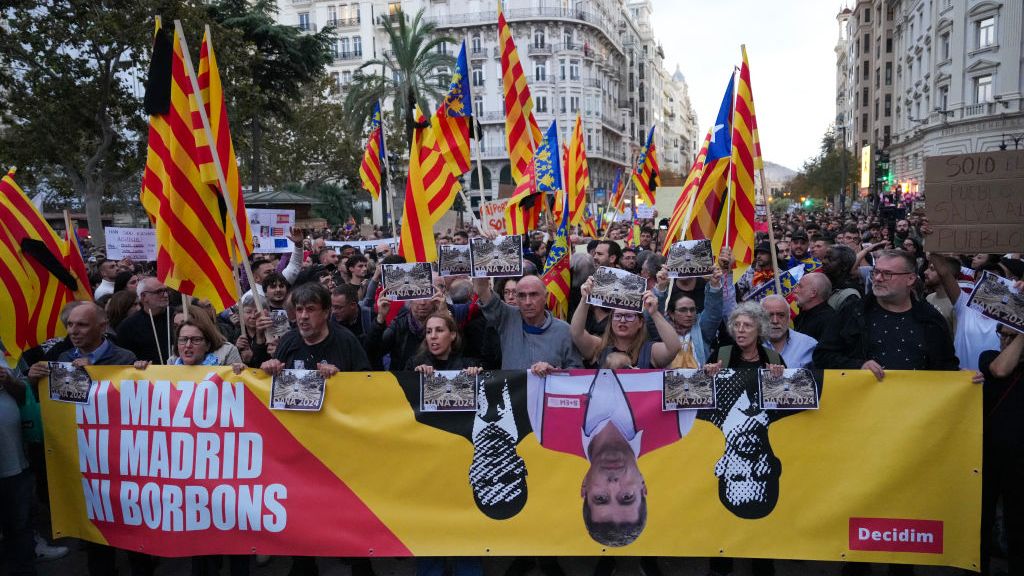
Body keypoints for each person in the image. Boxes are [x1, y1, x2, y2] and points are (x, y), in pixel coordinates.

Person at [27, 303, 148, 576]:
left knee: (133, 533)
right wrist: (35, 380)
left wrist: (139, 372)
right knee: (96, 537)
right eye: (70, 325)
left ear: (102, 326)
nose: (73, 331)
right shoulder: (60, 356)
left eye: (81, 325)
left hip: (123, 460)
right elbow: (61, 409)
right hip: (86, 462)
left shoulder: (123, 357)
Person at [258, 282, 369, 576]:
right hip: (300, 446)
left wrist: (341, 381)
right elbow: (268, 390)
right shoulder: (289, 343)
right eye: (299, 310)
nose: (303, 316)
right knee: (301, 508)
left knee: (349, 509)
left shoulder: (346, 342)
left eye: (310, 310)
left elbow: (370, 389)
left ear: (327, 312)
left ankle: (360, 562)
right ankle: (303, 563)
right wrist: (267, 367)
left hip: (341, 446)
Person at [526, 369, 696, 552]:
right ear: (643, 486)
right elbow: (691, 366)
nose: (613, 484)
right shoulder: (679, 424)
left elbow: (526, 368)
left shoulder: (545, 429)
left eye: (601, 498)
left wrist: (540, 365)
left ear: (584, 487)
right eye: (627, 497)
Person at [702, 302, 788, 576]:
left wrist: (780, 378)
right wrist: (708, 374)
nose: (740, 331)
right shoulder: (723, 355)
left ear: (759, 329)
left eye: (747, 326)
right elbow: (702, 390)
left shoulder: (773, 360)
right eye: (737, 325)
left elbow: (785, 398)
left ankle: (762, 562)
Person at [814, 250, 959, 378]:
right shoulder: (853, 312)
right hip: (863, 404)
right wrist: (858, 366)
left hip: (916, 405)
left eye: (887, 274)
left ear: (910, 279)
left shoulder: (930, 319)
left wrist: (962, 378)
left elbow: (946, 365)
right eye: (876, 272)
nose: (877, 278)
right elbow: (823, 356)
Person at [978, 322, 1024, 576]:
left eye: (1011, 336)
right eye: (1002, 335)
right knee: (982, 523)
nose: (1004, 341)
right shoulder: (989, 358)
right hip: (988, 458)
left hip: (1019, 462)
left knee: (1017, 523)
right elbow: (1001, 368)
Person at [472, 274, 582, 373]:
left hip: (548, 394)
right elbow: (482, 289)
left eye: (534, 295)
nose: (528, 302)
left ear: (545, 297)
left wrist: (554, 372)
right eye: (522, 296)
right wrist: (479, 265)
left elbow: (577, 371)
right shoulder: (507, 318)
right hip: (513, 393)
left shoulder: (564, 330)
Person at [570, 279, 680, 369]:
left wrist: (654, 313)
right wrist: (585, 299)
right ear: (611, 321)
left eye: (629, 316)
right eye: (617, 316)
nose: (622, 320)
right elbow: (576, 333)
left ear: (640, 323)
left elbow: (674, 347)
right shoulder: (598, 347)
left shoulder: (650, 351)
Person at [0, 350, 37, 576]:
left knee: (20, 524)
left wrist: (9, 380)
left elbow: (25, 393)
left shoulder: (7, 348)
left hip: (13, 457)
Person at [931, 253, 1000, 372]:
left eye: (992, 279)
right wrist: (932, 242)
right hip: (963, 382)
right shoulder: (964, 304)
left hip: (996, 384)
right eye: (980, 279)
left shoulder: (1011, 316)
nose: (985, 284)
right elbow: (943, 272)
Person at [116, 277, 173, 364]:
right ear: (143, 297)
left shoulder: (177, 316)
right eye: (159, 292)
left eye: (166, 290)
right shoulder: (128, 326)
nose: (165, 295)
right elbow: (124, 360)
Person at [762, 295, 817, 368]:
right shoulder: (750, 345)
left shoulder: (809, 345)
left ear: (788, 318)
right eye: (769, 315)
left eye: (781, 315)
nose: (775, 321)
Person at [791, 272, 835, 342]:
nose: (795, 290)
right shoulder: (802, 316)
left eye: (800, 286)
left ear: (813, 293)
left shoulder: (828, 321)